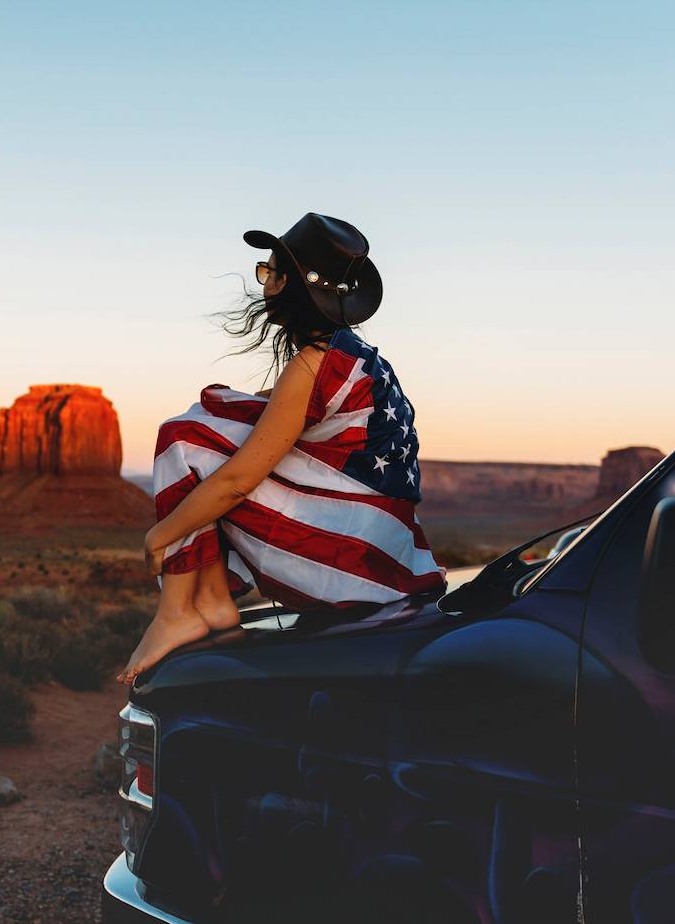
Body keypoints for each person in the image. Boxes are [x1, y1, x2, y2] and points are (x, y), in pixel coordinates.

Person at [119, 213, 446, 684]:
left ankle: (179, 612)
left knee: (184, 437)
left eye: (270, 272)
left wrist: (162, 534)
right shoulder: (356, 358)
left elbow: (237, 482)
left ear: (294, 284)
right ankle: (209, 602)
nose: (264, 283)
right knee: (217, 417)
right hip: (379, 553)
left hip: (345, 568)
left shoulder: (314, 365)